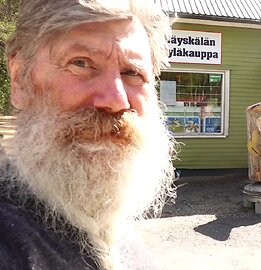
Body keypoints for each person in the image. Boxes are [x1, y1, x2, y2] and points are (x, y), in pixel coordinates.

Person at [1, 0, 176, 269]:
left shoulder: (123, 240)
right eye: (81, 63)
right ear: (19, 79)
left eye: (132, 72)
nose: (116, 100)